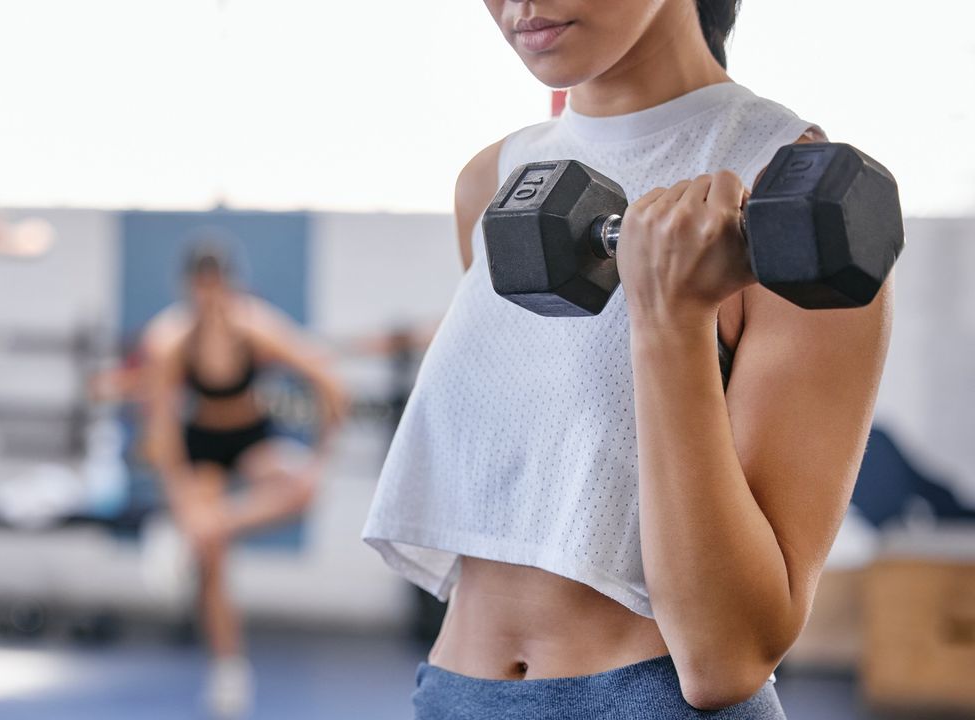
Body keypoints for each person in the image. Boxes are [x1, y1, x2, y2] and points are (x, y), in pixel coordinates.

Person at [362, 2, 892, 718]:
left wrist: (670, 319)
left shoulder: (790, 196)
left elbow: (726, 656)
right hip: (453, 694)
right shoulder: (493, 182)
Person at [143, 241, 347, 718]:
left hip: (252, 438)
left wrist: (320, 457)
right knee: (212, 557)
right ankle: (228, 668)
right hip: (203, 446)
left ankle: (202, 530)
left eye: (219, 289)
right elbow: (162, 429)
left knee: (302, 489)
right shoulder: (169, 339)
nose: (212, 299)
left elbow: (329, 382)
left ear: (231, 286)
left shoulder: (256, 326)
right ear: (190, 289)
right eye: (203, 289)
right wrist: (180, 502)